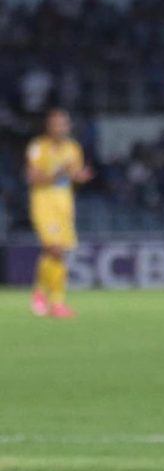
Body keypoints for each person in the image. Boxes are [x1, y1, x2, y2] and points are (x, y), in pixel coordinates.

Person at [26, 108, 93, 318]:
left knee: (58, 252)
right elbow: (33, 178)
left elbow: (72, 176)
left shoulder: (73, 149)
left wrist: (80, 177)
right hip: (43, 202)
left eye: (63, 124)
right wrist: (58, 174)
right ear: (49, 126)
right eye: (56, 124)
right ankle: (56, 303)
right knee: (54, 249)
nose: (60, 128)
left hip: (64, 203)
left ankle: (40, 292)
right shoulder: (38, 147)